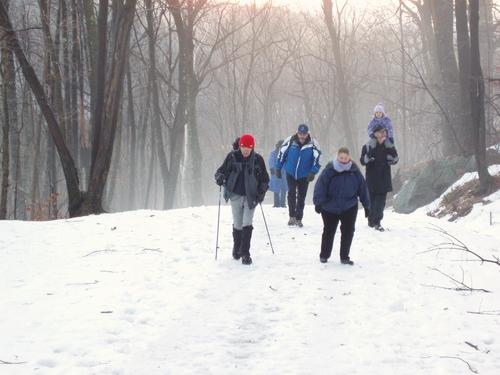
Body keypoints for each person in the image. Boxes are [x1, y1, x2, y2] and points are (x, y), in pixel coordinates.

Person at [214, 134, 270, 265]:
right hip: (235, 194)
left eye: (249, 147)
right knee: (238, 223)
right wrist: (220, 177)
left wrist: (262, 190)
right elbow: (220, 171)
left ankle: (245, 253)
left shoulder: (257, 159)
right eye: (244, 147)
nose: (246, 150)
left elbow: (265, 179)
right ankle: (236, 248)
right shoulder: (232, 157)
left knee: (247, 222)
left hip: (251, 196)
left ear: (252, 147)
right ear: (240, 146)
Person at [313, 147, 370, 265]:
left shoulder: (354, 171)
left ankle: (344, 257)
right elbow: (320, 186)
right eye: (341, 158)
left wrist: (367, 205)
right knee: (329, 231)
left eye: (346, 158)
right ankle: (324, 255)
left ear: (349, 158)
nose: (343, 160)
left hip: (349, 206)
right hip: (329, 207)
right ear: (337, 157)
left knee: (348, 232)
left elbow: (363, 189)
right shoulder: (329, 170)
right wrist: (318, 203)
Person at [275, 124, 321, 227]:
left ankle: (299, 218)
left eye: (304, 134)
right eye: (300, 134)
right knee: (291, 193)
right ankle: (292, 217)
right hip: (290, 172)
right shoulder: (290, 140)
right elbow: (281, 154)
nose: (302, 136)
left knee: (301, 196)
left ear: (307, 134)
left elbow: (318, 159)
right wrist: (278, 167)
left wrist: (313, 172)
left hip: (304, 175)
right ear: (297, 133)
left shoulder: (313, 144)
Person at [360, 124, 399, 232]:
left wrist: (389, 148)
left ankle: (377, 222)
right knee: (371, 202)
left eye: (384, 132)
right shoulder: (367, 146)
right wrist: (371, 152)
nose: (383, 134)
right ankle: (371, 220)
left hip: (384, 178)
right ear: (375, 133)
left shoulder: (389, 145)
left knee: (381, 202)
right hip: (371, 179)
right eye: (381, 132)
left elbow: (395, 158)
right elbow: (362, 161)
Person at [268, 140, 288, 208]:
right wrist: (272, 169)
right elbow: (271, 161)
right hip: (276, 173)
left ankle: (283, 203)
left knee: (284, 188)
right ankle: (276, 203)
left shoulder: (287, 154)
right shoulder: (273, 153)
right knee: (276, 188)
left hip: (284, 173)